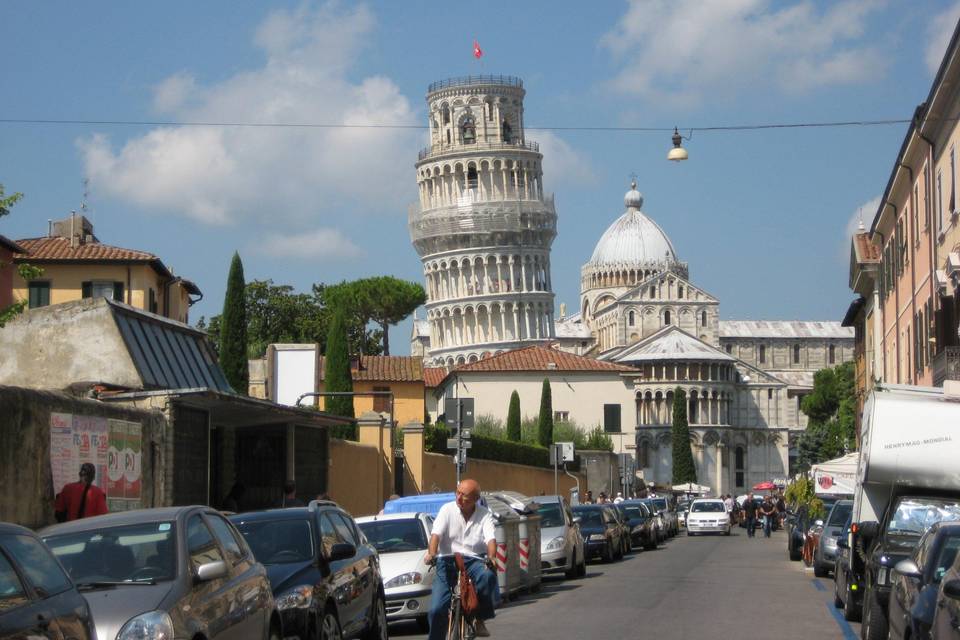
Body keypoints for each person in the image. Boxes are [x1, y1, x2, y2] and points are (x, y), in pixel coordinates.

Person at [424, 479, 500, 639]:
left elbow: (491, 539)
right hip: (447, 560)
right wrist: (432, 553)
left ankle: (480, 617)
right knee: (437, 609)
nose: (458, 498)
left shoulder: (484, 514)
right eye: (457, 493)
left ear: (475, 499)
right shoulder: (447, 510)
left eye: (464, 496)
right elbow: (435, 535)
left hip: (474, 560)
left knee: (488, 577)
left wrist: (492, 557)